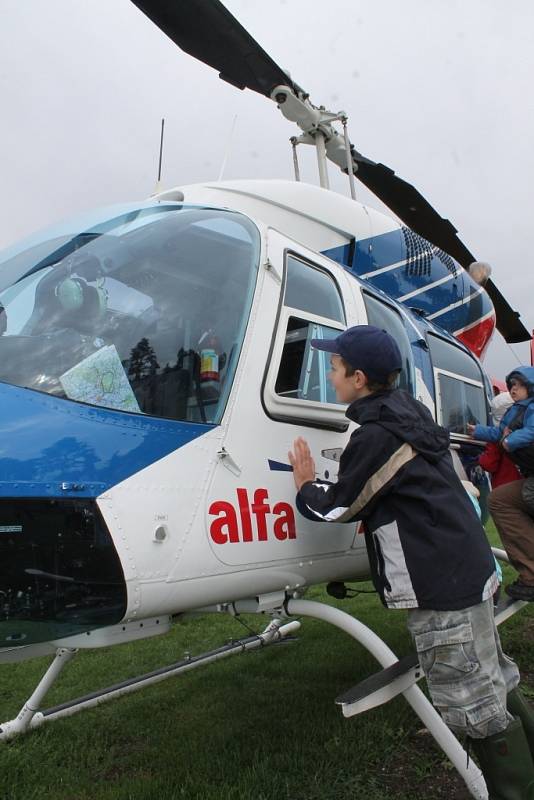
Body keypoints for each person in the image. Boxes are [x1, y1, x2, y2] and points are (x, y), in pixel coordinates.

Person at [288, 325, 534, 798]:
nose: (330, 376)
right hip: (470, 571)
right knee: (493, 677)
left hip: (439, 584)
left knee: (473, 703)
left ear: (358, 378)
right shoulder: (409, 413)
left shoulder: (377, 435)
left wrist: (305, 485)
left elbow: (343, 505)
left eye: (334, 368)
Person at [468, 368, 534, 602]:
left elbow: (506, 443)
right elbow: (497, 433)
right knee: (502, 500)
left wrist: (509, 441)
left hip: (522, 482)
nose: (513, 389)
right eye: (511, 385)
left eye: (518, 385)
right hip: (524, 480)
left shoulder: (530, 410)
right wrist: (478, 431)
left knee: (500, 501)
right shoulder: (515, 412)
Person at [479, 393, 522, 489]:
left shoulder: (498, 435)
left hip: (504, 489)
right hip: (526, 489)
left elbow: (488, 464)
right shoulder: (527, 431)